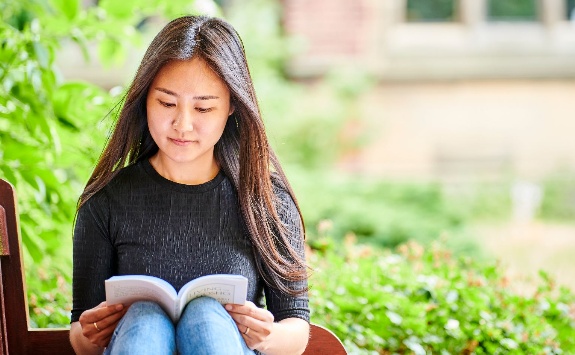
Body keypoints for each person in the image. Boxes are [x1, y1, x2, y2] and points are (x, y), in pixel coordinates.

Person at [69, 15, 310, 355]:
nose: (182, 124)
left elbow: (296, 325)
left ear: (230, 108)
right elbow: (81, 333)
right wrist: (90, 333)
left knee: (207, 316)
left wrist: (267, 336)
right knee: (145, 320)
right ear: (144, 99)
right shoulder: (106, 202)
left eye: (203, 108)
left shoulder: (266, 201)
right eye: (167, 103)